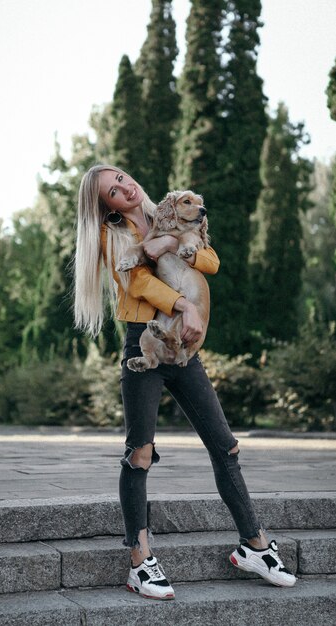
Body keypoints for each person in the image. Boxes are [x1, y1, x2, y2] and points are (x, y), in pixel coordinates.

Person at [74, 164, 296, 600]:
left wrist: (177, 242)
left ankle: (254, 545)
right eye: (112, 191)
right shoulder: (111, 236)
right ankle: (140, 561)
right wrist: (183, 305)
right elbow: (135, 281)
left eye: (121, 177)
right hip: (145, 341)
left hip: (183, 346)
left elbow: (210, 260)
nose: (124, 187)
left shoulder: (169, 215)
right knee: (139, 453)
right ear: (106, 207)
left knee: (225, 444)